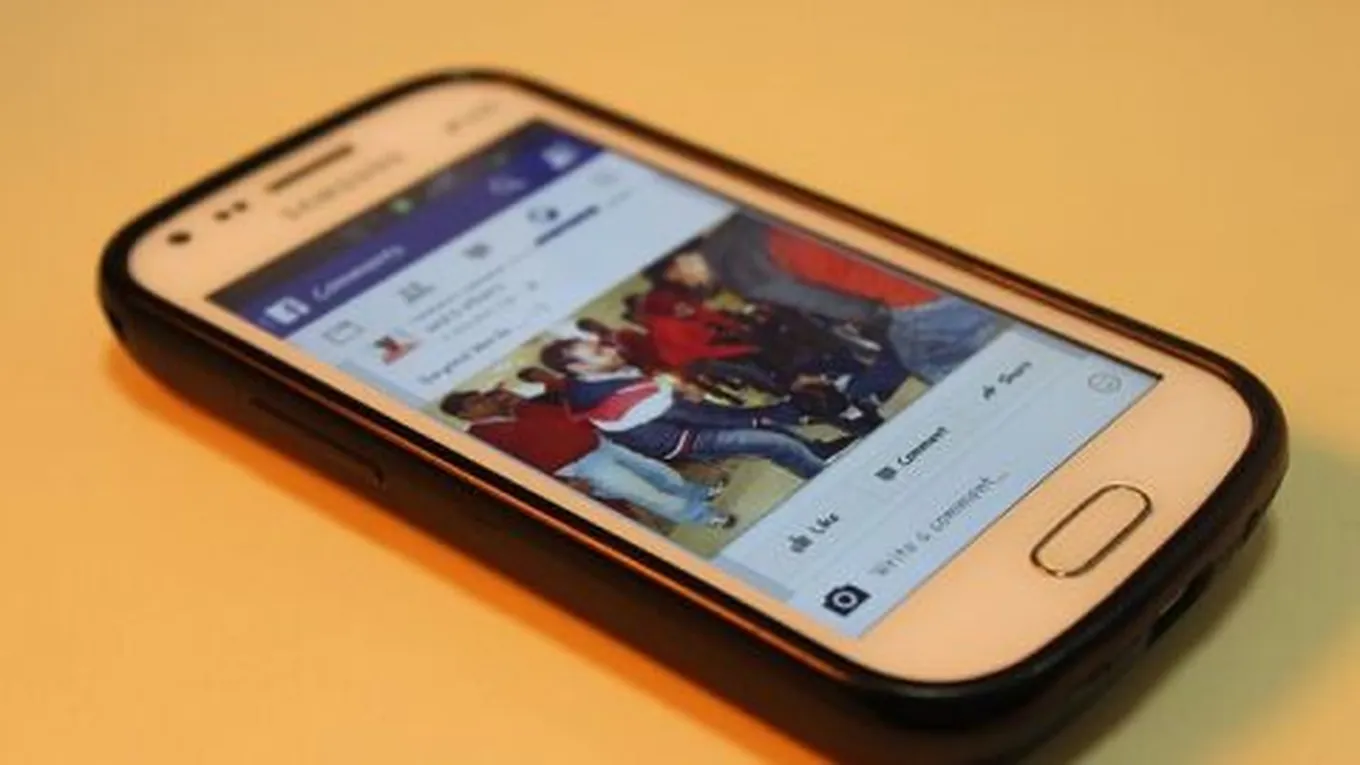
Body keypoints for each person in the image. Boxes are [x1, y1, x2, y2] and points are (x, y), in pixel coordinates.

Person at [644, 214, 1002, 384]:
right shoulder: (739, 222)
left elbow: (825, 302)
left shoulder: (738, 268)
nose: (688, 284)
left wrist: (878, 317)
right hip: (942, 263)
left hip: (917, 295)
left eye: (678, 278)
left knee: (938, 367)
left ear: (679, 262)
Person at [541, 336, 854, 479]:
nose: (610, 349)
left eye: (601, 345)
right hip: (676, 439)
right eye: (599, 351)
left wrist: (671, 388)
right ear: (577, 367)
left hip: (668, 417)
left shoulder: (593, 377)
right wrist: (765, 413)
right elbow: (702, 416)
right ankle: (820, 475)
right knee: (770, 440)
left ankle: (819, 451)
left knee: (763, 426)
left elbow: (667, 396)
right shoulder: (614, 397)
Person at [439, 386, 736, 530]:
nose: (485, 401)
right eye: (476, 402)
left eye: (482, 397)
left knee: (657, 472)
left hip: (600, 445)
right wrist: (562, 485)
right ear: (464, 414)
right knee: (644, 492)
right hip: (581, 467)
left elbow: (565, 417)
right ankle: (703, 516)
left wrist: (519, 402)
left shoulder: (520, 410)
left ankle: (699, 494)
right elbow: (514, 469)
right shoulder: (480, 437)